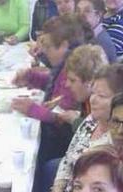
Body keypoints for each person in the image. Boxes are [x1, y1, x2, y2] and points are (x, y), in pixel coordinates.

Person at [25, 44, 108, 192]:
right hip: (71, 189)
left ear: (90, 83)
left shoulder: (101, 122)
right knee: (49, 168)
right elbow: (70, 157)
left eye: (72, 80)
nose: (67, 85)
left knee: (46, 161)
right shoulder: (89, 115)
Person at [12, 14, 87, 168]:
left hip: (63, 143)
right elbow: (56, 87)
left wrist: (32, 109)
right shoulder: (65, 63)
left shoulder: (75, 69)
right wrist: (31, 78)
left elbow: (61, 118)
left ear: (64, 45)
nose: (44, 52)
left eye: (48, 47)